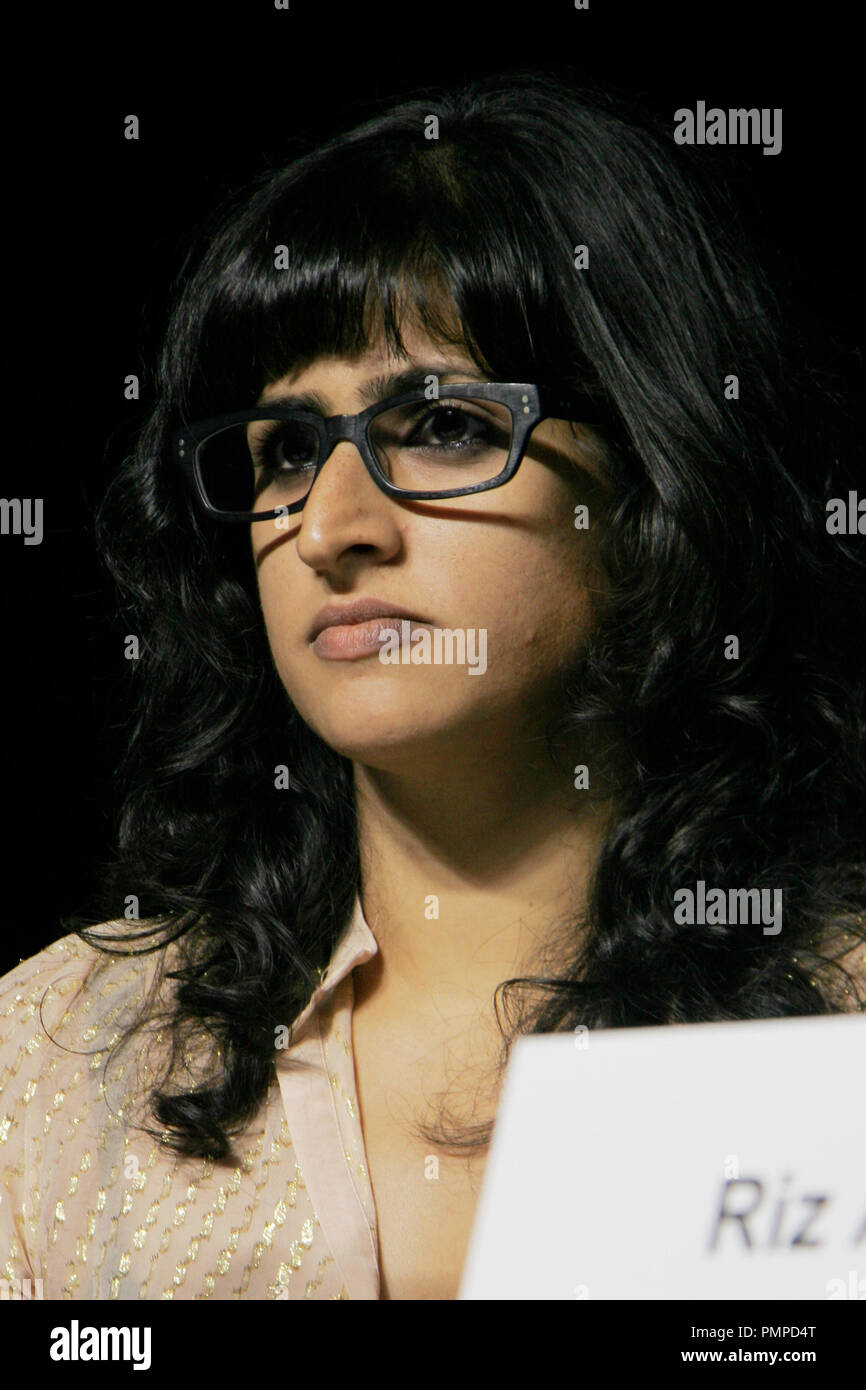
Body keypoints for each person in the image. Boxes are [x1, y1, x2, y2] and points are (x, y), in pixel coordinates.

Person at [1, 72, 863, 1303]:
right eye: (287, 450)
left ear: (653, 483)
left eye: (443, 426)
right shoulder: (52, 1057)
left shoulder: (845, 1037)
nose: (330, 527)